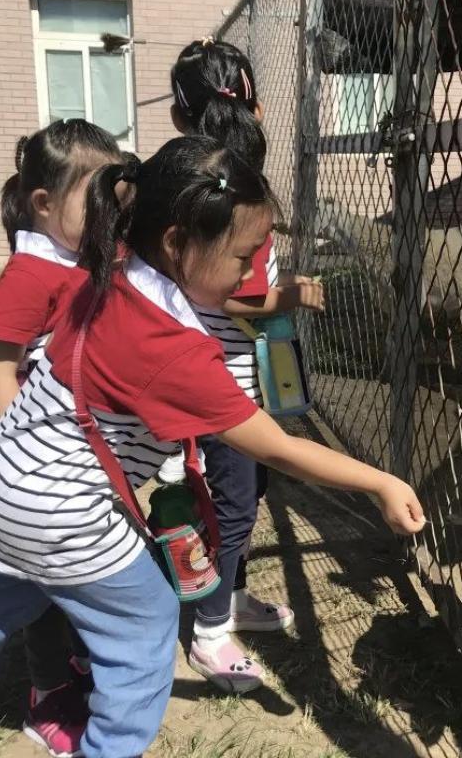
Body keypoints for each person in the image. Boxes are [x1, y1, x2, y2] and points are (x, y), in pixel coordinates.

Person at [0, 135, 425, 758]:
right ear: (176, 243)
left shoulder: (112, 266)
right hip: (61, 509)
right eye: (242, 257)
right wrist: (381, 481)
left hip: (2, 477)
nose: (250, 274)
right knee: (145, 622)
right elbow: (274, 446)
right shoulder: (173, 349)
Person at [159, 37, 325, 693]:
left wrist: (280, 289)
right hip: (223, 385)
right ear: (253, 102)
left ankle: (226, 601)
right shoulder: (225, 188)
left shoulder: (198, 181)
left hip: (242, 374)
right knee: (229, 507)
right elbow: (231, 297)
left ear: (181, 117)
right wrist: (290, 296)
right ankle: (208, 632)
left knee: (244, 499)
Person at [0, 118, 124, 757]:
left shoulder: (81, 259)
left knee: (75, 565)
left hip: (65, 444)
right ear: (45, 205)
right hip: (25, 450)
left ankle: (72, 662)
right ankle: (46, 693)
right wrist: (11, 453)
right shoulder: (33, 271)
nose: (111, 211)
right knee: (38, 578)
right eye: (97, 197)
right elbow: (0, 368)